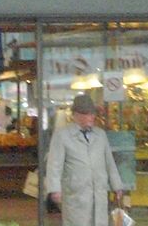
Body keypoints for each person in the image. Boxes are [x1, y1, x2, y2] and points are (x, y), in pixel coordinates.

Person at [45, 94, 125, 226]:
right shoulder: (63, 136)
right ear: (76, 115)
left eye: (93, 114)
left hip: (99, 193)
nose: (92, 117)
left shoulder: (100, 135)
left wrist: (117, 186)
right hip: (76, 194)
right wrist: (55, 189)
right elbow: (54, 165)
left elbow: (110, 163)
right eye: (88, 114)